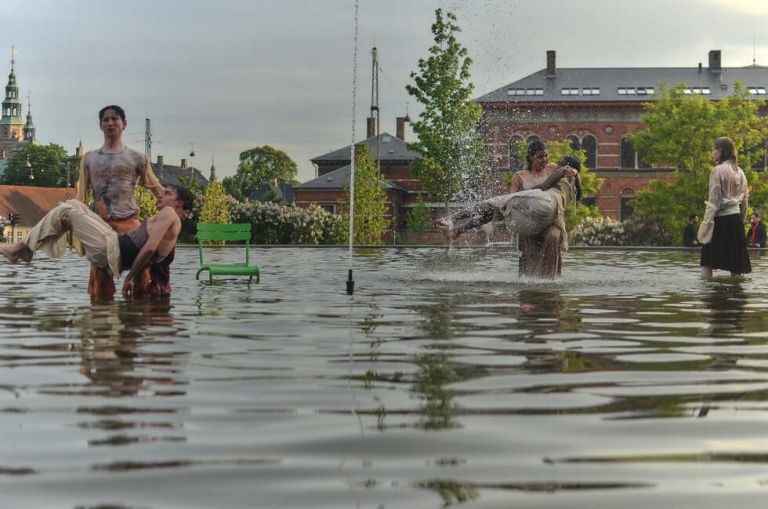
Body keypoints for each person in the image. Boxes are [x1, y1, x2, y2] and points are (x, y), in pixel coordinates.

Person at [0, 185, 194, 299]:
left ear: (179, 204)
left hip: (113, 252)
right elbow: (158, 257)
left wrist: (129, 278)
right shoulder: (173, 224)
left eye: (168, 193)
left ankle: (22, 249)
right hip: (114, 245)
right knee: (75, 205)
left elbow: (150, 248)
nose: (161, 194)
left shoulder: (170, 214)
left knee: (66, 210)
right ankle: (26, 248)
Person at [76, 105, 166, 299]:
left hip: (130, 222)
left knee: (142, 276)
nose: (110, 122)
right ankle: (101, 323)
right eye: (106, 119)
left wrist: (176, 207)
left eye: (115, 119)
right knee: (100, 281)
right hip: (100, 224)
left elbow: (156, 189)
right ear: (100, 125)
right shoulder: (89, 158)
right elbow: (81, 196)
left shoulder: (137, 158)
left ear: (124, 124)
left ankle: (138, 318)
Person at [437, 155, 581, 241]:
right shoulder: (572, 187)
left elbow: (544, 186)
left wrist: (525, 192)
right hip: (546, 215)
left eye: (561, 163)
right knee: (495, 211)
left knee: (494, 203)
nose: (557, 164)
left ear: (567, 166)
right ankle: (457, 231)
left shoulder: (565, 172)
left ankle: (454, 218)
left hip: (541, 202)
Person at [510, 140, 580, 278]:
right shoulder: (519, 176)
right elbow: (511, 198)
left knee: (553, 235)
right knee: (527, 246)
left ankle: (551, 279)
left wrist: (575, 172)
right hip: (529, 221)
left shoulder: (552, 168)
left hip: (550, 220)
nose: (544, 160)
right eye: (540, 157)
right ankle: (527, 281)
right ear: (531, 157)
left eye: (546, 156)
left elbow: (572, 177)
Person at [698, 137, 751, 278]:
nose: (712, 153)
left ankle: (707, 295)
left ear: (721, 151)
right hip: (735, 221)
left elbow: (714, 202)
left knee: (707, 261)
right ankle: (735, 296)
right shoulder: (741, 173)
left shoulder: (717, 171)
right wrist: (741, 221)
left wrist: (706, 224)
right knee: (736, 265)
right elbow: (745, 201)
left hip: (719, 221)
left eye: (713, 149)